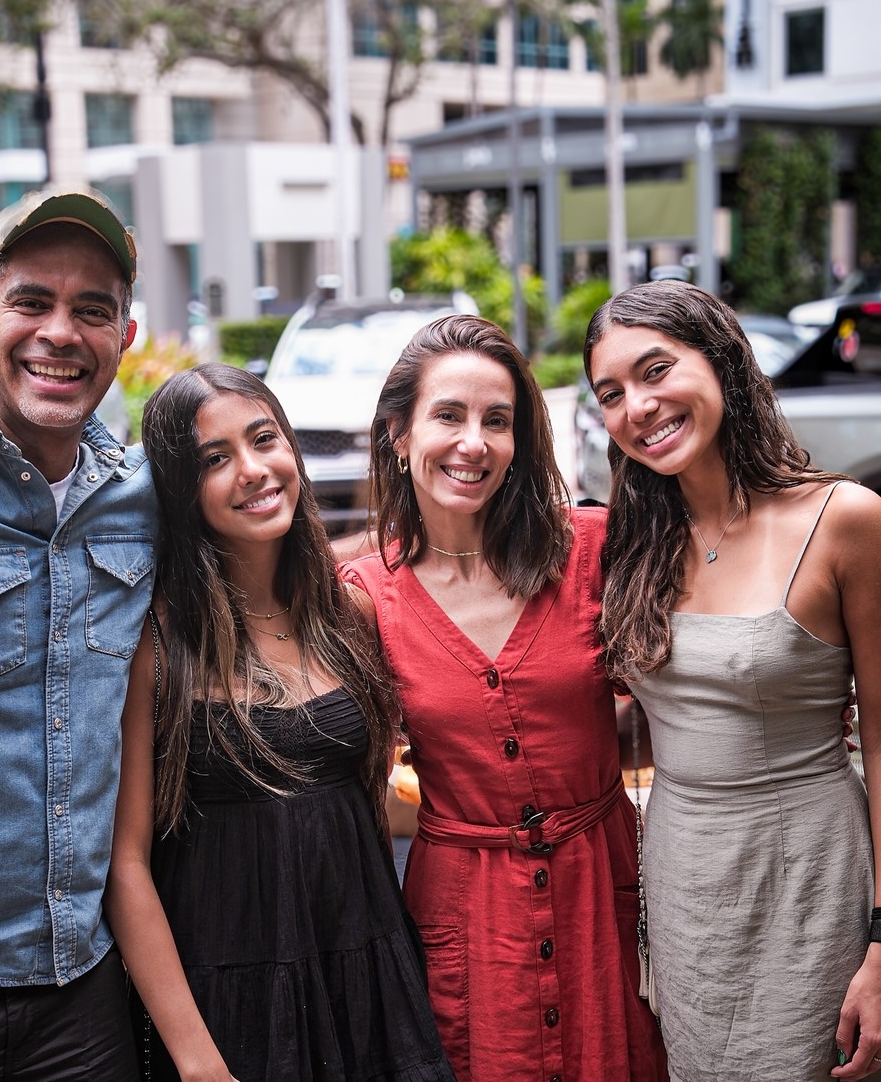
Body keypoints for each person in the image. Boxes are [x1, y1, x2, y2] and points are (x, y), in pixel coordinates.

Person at [104, 363, 456, 1082]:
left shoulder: (347, 614)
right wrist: (197, 1062)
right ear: (180, 489)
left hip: (366, 976)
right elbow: (125, 864)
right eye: (215, 459)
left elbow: (367, 807)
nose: (253, 470)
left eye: (264, 439)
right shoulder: (158, 643)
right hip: (228, 1000)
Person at [343, 314, 668, 1082]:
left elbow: (673, 703)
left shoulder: (592, 550)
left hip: (602, 892)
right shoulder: (364, 595)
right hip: (467, 920)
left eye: (497, 420)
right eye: (448, 416)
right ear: (398, 435)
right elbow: (354, 780)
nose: (474, 443)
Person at [583, 282, 881, 1082]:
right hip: (684, 885)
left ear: (722, 362)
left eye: (656, 370)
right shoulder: (634, 542)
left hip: (809, 876)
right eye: (611, 393)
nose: (638, 406)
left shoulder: (845, 519)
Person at [0, 187, 157, 1080]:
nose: (60, 333)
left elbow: (275, 555)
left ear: (125, 337)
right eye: (32, 302)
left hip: (82, 993)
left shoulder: (139, 499)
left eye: (93, 311)